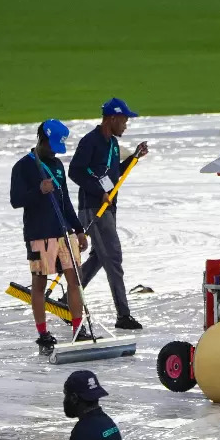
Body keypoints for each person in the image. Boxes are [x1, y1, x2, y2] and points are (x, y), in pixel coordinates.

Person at [10, 120, 89, 355]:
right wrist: (38, 191)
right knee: (39, 284)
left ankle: (78, 328)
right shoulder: (23, 167)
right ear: (41, 139)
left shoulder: (56, 165)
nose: (54, 151)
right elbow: (16, 200)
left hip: (63, 233)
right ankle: (43, 333)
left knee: (75, 281)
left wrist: (78, 229)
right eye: (52, 146)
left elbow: (65, 201)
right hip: (38, 235)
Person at [70, 98, 149, 331]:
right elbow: (75, 171)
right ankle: (123, 315)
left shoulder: (113, 144)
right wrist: (99, 191)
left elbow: (114, 175)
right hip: (93, 209)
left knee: (99, 257)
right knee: (113, 257)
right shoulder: (90, 142)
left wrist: (133, 158)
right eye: (124, 120)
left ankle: (67, 301)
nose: (126, 125)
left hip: (108, 209)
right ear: (112, 118)